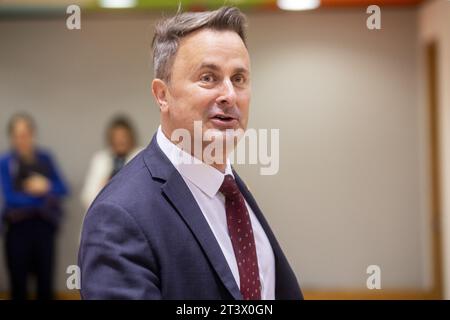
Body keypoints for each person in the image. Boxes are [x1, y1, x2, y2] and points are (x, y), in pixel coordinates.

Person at [79, 6, 302, 300]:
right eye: (208, 78)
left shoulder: (232, 191)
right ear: (162, 95)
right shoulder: (119, 216)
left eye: (239, 79)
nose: (229, 95)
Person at [0, 113, 69, 300]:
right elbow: (11, 198)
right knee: (18, 285)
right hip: (17, 229)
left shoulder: (45, 158)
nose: (22, 139)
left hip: (44, 228)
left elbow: (63, 189)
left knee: (45, 284)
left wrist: (46, 186)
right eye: (17, 135)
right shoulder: (6, 162)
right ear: (11, 138)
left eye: (25, 134)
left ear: (33, 134)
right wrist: (42, 196)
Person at [80, 115, 141, 211]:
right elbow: (87, 196)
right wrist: (103, 188)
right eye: (116, 137)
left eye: (123, 136)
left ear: (131, 137)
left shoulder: (141, 156)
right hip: (103, 213)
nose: (120, 140)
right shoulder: (100, 159)